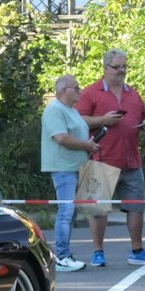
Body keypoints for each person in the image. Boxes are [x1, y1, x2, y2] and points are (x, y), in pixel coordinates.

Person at [74, 48, 145, 265]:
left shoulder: (133, 93)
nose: (121, 71)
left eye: (124, 67)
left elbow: (142, 117)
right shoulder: (91, 92)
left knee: (136, 206)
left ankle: (137, 251)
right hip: (101, 158)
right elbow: (77, 121)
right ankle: (98, 252)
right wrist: (103, 119)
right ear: (105, 68)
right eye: (117, 67)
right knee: (98, 208)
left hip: (131, 159)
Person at [41, 74, 97, 273]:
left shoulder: (71, 110)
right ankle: (62, 256)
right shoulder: (55, 110)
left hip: (75, 167)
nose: (80, 91)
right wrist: (87, 145)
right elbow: (61, 138)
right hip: (63, 168)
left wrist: (87, 146)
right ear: (64, 90)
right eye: (76, 88)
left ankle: (64, 254)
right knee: (66, 212)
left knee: (71, 212)